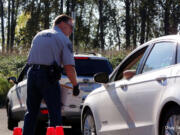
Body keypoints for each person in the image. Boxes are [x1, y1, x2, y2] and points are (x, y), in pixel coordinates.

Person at [23, 14, 80, 135]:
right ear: (63, 24)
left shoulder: (38, 35)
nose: (71, 31)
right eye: (71, 27)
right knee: (54, 112)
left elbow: (30, 60)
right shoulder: (64, 40)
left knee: (31, 112)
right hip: (48, 76)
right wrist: (75, 85)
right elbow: (69, 67)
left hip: (32, 74)